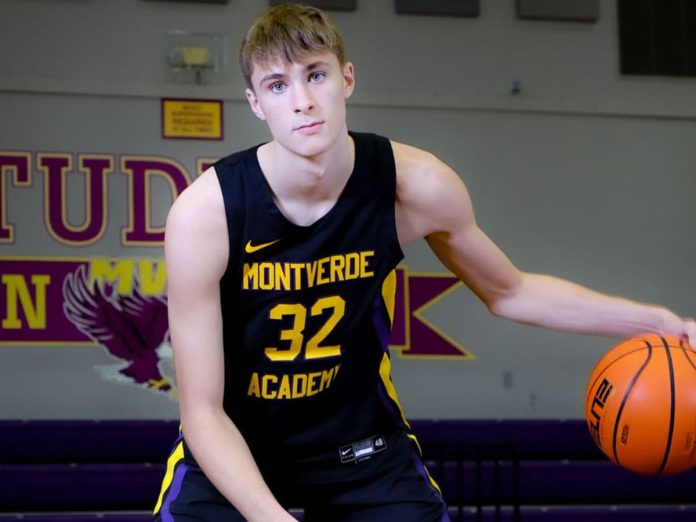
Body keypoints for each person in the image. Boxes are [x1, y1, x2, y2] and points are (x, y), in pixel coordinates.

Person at [153, 4, 695, 521]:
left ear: (346, 79)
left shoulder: (415, 185)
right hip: (235, 446)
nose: (302, 101)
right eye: (278, 85)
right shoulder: (206, 214)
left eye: (314, 75)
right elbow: (202, 411)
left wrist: (660, 323)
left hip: (361, 446)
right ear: (255, 103)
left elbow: (510, 292)